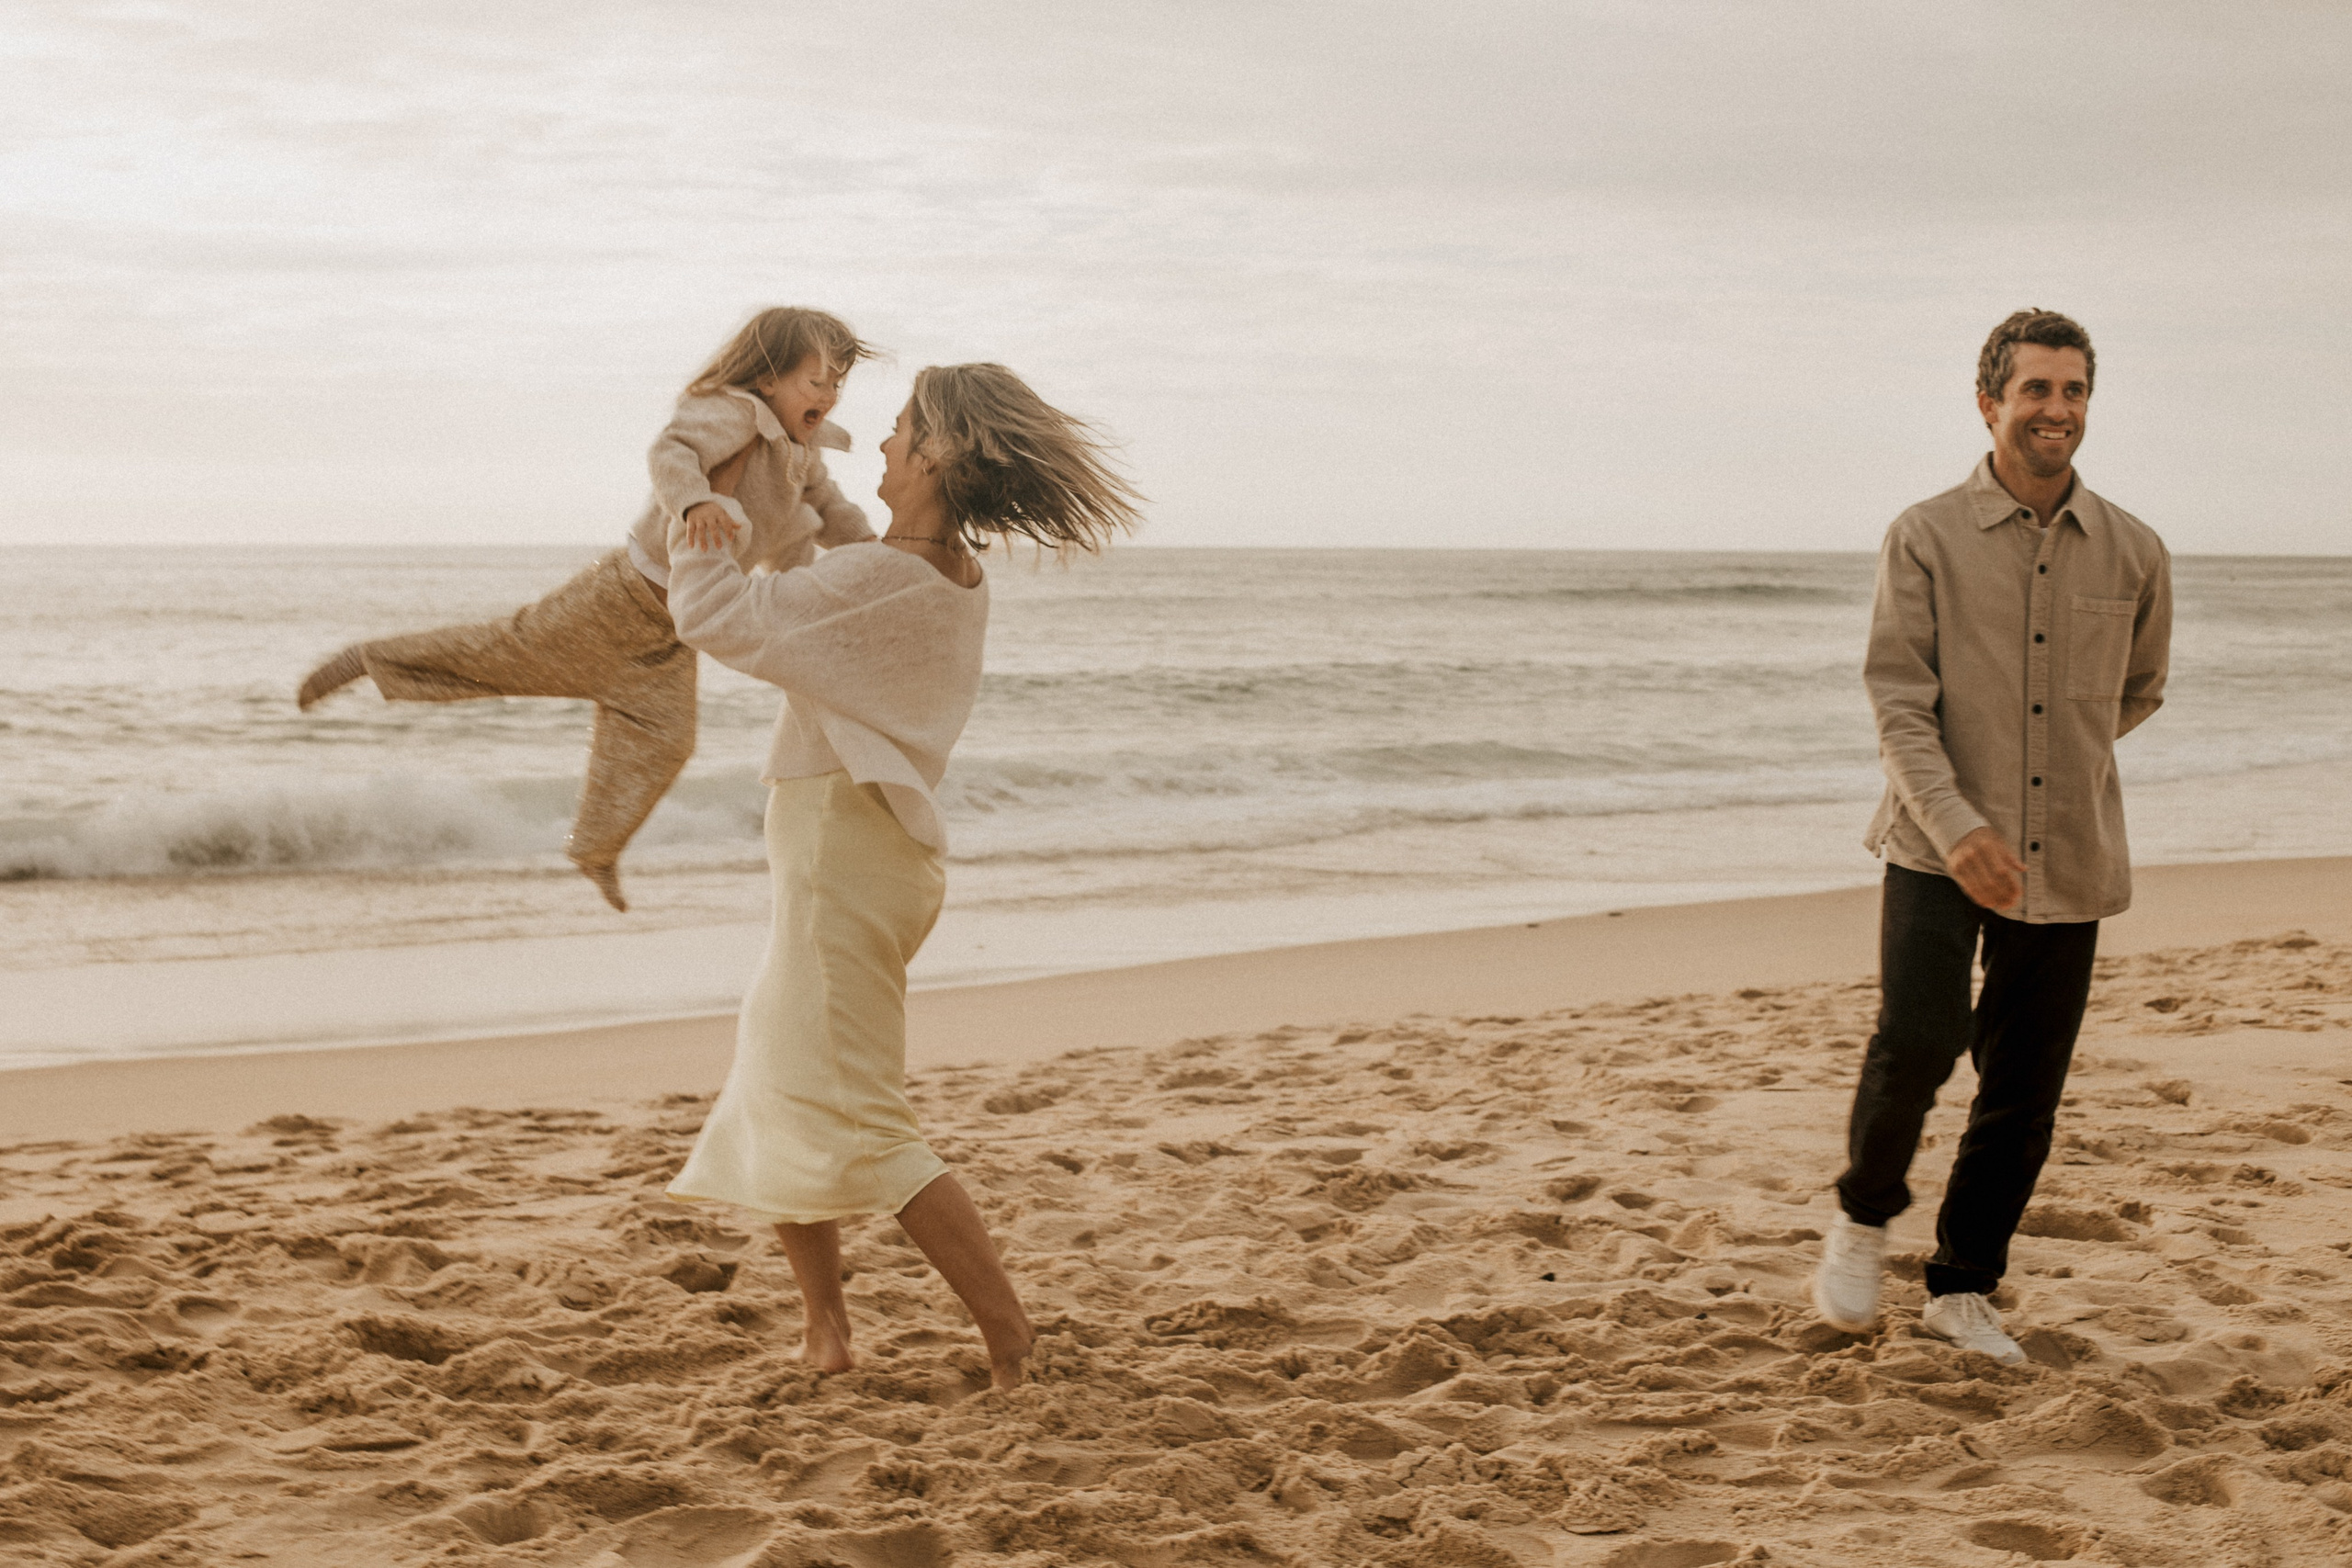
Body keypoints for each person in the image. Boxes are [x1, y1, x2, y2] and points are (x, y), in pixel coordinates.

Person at [661, 363, 1141, 1391]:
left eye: (894, 432)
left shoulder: (882, 583)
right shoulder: (938, 574)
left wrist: (690, 519)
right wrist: (781, 480)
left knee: (868, 1121)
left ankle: (1010, 1337)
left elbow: (716, 620)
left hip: (844, 857)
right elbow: (833, 563)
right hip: (860, 858)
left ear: (938, 455)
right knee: (779, 1088)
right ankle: (824, 1334)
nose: (875, 447)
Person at [1813, 309, 2172, 1363]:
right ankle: (1862, 1219)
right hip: (1933, 846)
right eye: (2035, 391)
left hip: (2069, 854)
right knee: (1917, 1041)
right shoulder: (1924, 536)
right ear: (1990, 403)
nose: (2055, 410)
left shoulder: (2135, 549)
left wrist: (2053, 775)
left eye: (2072, 392)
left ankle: (1963, 1286)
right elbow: (1896, 701)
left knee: (2021, 1091)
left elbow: (2139, 689)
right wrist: (1964, 819)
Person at [294, 308, 880, 912]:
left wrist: (871, 552)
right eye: (818, 381)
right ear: (767, 381)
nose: (831, 396)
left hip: (672, 633)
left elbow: (830, 505)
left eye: (838, 383)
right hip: (620, 596)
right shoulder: (732, 412)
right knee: (501, 653)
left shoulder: (803, 453)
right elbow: (670, 451)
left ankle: (595, 850)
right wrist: (695, 501)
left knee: (667, 738)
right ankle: (370, 658)